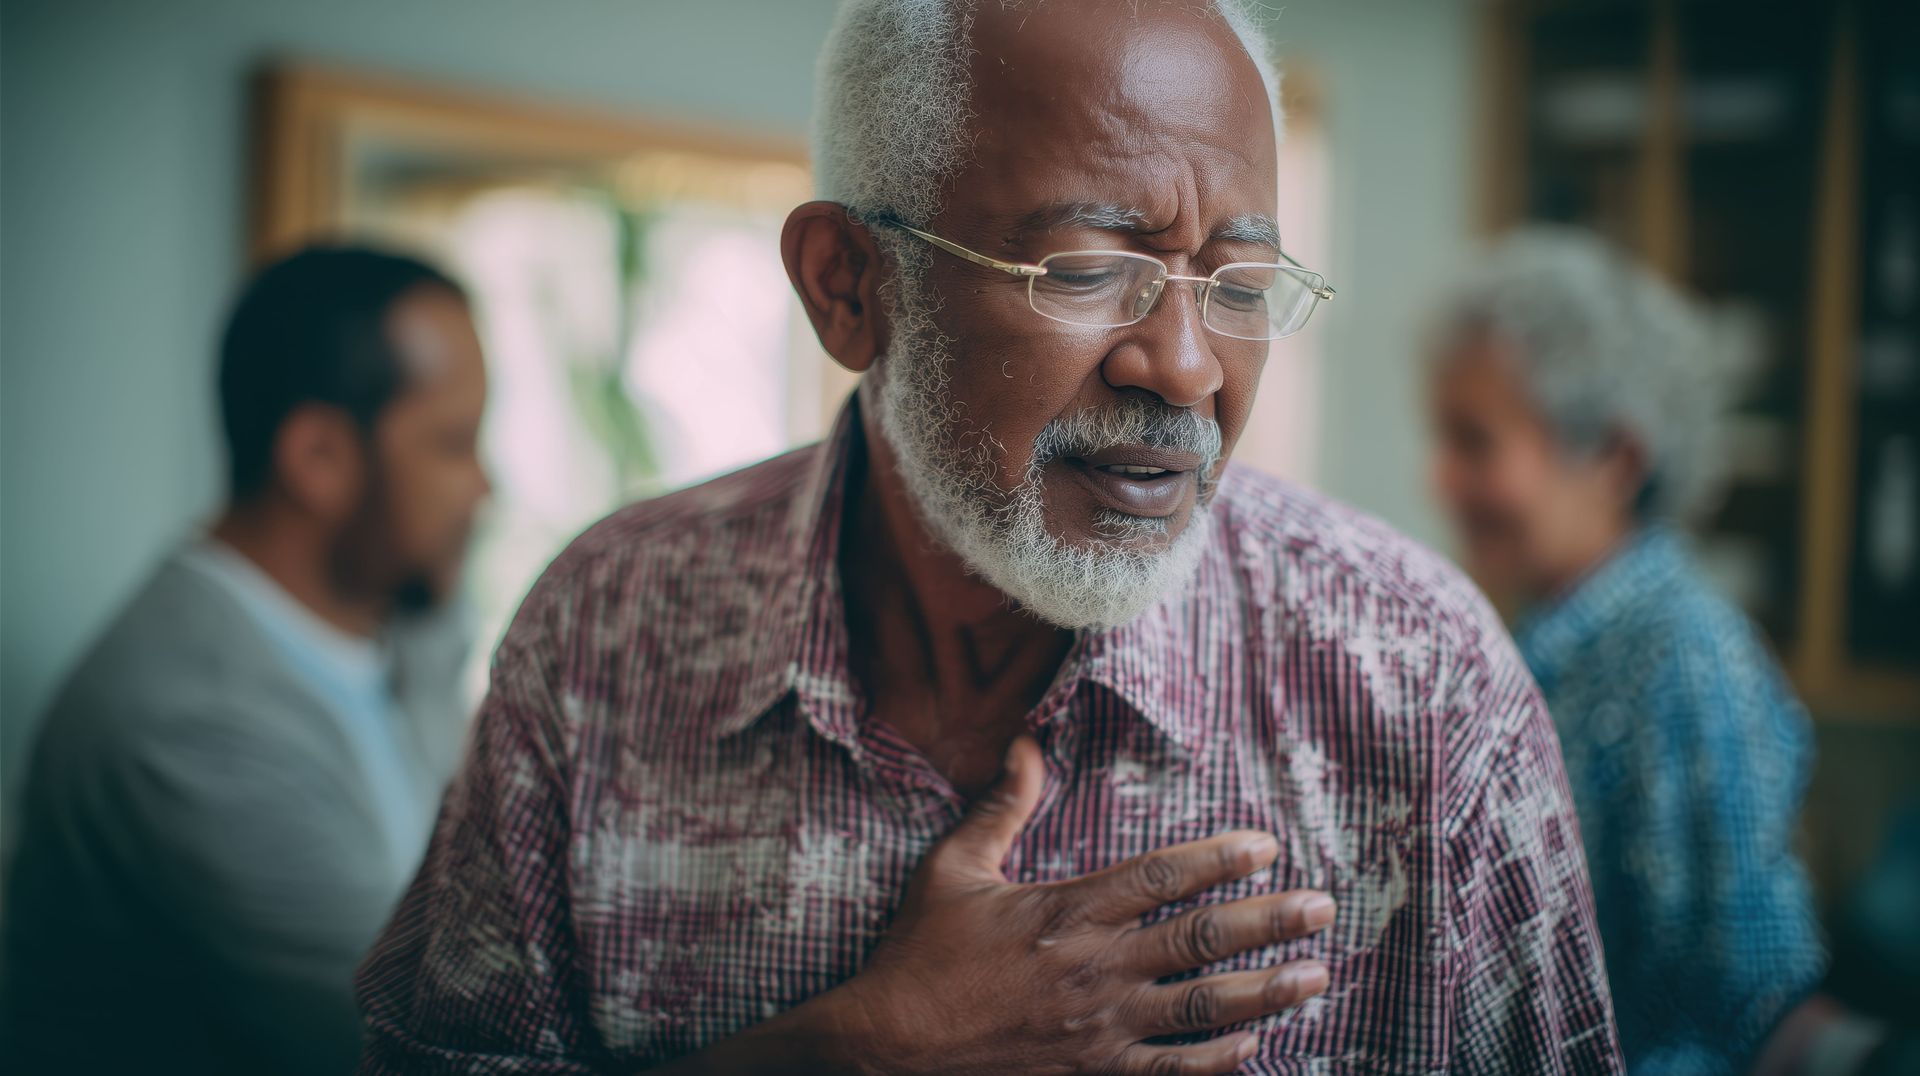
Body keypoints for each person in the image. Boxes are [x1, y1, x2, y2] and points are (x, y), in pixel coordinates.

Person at [356, 2, 1622, 1072]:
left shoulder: (1417, 676)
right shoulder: (610, 627)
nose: (1184, 367)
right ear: (850, 284)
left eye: (1238, 287)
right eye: (1083, 269)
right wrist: (862, 1045)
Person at [2, 247, 491, 1075]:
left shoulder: (403, 626)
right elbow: (406, 1052)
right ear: (318, 459)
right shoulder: (180, 723)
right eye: (453, 443)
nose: (484, 485)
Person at [1428, 227, 1826, 1074]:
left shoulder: (1682, 656)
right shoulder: (1542, 641)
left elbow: (1750, 1005)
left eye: (1476, 443)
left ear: (1616, 456)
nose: (1442, 481)